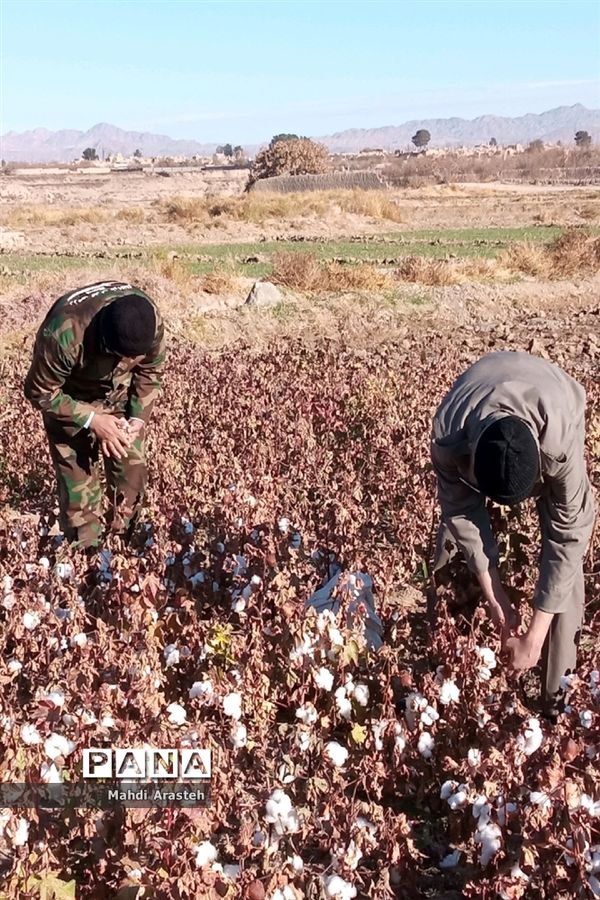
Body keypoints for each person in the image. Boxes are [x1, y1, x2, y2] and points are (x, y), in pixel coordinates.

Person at [431, 351, 595, 716]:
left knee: (567, 561)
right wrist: (498, 603)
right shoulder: (449, 433)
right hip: (478, 396)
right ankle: (450, 659)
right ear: (470, 459)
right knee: (453, 536)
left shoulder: (560, 438)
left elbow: (568, 535)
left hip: (555, 399)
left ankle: (558, 698)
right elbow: (460, 510)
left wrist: (533, 635)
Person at [25, 280, 166, 549]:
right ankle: (85, 557)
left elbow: (150, 370)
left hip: (118, 397)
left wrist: (137, 418)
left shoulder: (148, 319)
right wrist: (92, 420)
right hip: (69, 399)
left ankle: (124, 549)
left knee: (132, 472)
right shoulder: (64, 333)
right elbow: (40, 391)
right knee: (79, 487)